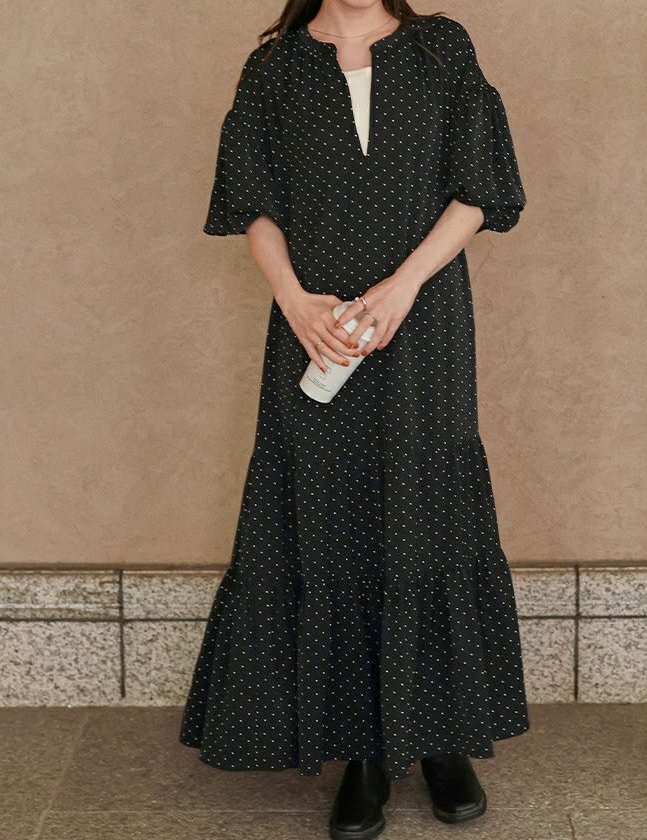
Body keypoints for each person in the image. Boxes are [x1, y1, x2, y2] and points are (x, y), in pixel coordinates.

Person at [179, 2, 530, 838]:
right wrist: (294, 301)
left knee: (430, 512)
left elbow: (479, 188)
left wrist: (404, 286)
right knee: (332, 515)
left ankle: (442, 741)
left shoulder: (441, 48)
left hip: (424, 318)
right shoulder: (274, 68)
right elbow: (252, 202)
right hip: (316, 327)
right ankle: (363, 755)